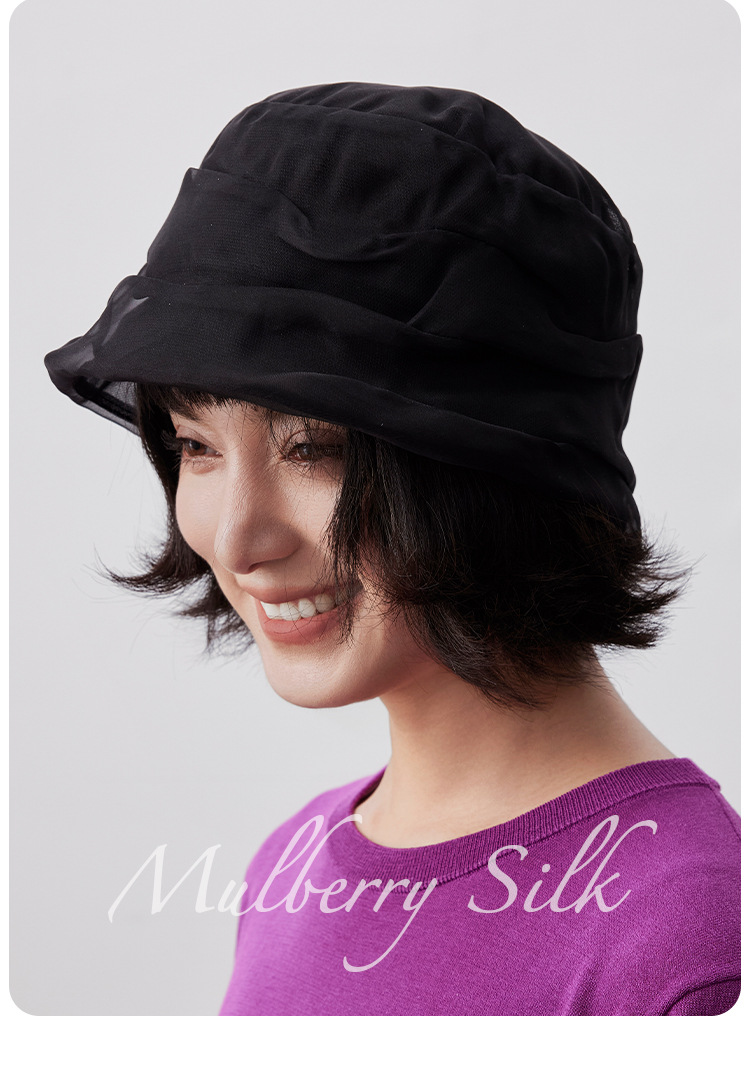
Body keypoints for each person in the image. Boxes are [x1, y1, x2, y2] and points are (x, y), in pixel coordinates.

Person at [44, 82, 740, 1016]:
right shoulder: (289, 867)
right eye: (196, 445)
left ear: (497, 460)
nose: (237, 537)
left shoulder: (690, 945)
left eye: (313, 448)